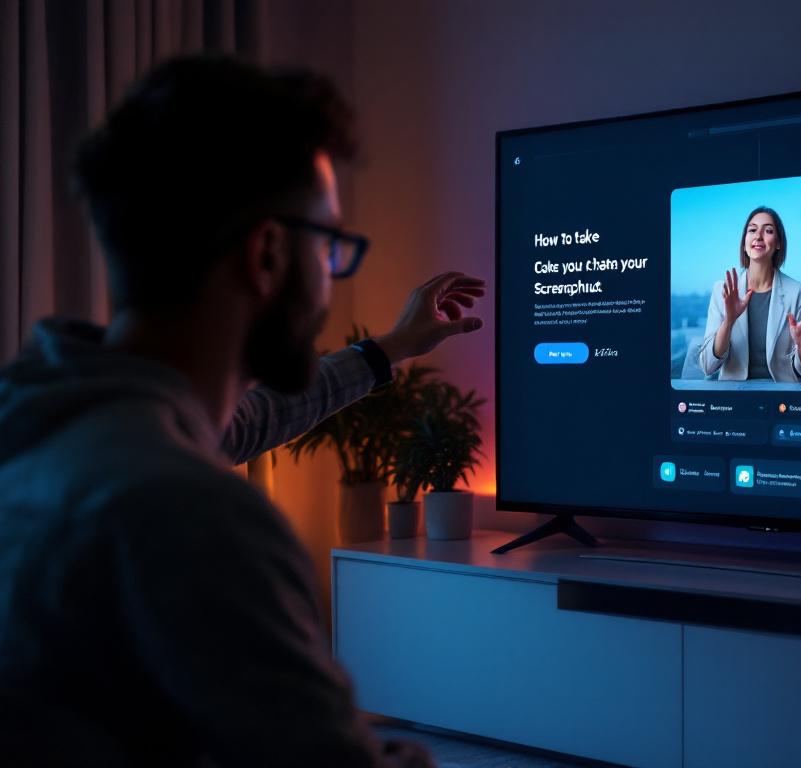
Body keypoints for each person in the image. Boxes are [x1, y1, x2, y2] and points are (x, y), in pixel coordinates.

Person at [0, 57, 486, 766]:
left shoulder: (43, 420)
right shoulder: (187, 513)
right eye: (329, 248)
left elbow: (246, 421)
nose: (328, 277)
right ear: (266, 253)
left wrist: (390, 349)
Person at [697, 206, 801, 382]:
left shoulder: (795, 291)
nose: (758, 236)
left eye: (768, 230)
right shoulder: (722, 290)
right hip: (734, 394)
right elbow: (707, 366)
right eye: (752, 230)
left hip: (780, 395)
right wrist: (728, 322)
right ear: (744, 243)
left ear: (778, 243)